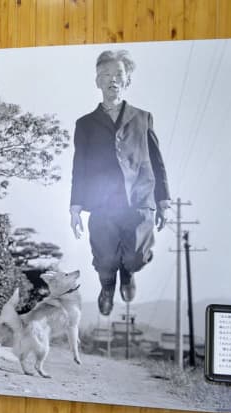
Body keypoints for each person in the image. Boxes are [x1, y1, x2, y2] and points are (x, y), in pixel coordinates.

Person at [69, 49, 170, 316]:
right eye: (105, 75)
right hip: (102, 203)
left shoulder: (143, 117)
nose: (112, 80)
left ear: (127, 81)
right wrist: (75, 206)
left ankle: (128, 273)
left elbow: (157, 162)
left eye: (118, 75)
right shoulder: (85, 124)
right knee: (105, 257)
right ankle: (107, 284)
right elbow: (79, 166)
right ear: (97, 82)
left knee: (136, 256)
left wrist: (164, 201)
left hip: (139, 198)